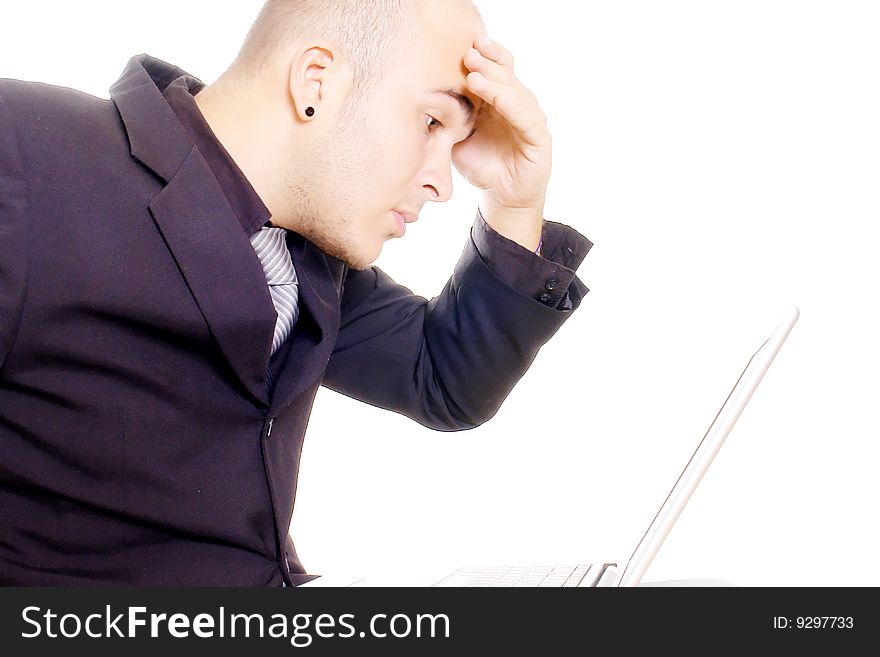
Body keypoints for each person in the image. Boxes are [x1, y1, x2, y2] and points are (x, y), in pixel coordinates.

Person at [0, 0, 592, 585]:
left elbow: (444, 381)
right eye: (432, 123)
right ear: (316, 80)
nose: (442, 183)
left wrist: (515, 201)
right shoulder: (22, 153)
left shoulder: (307, 247)